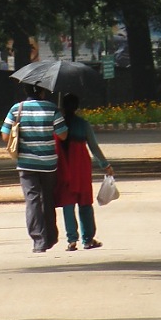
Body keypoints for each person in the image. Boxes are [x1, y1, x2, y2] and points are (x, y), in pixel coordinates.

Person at [1, 84, 68, 253]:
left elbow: (5, 135)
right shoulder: (52, 108)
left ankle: (38, 240)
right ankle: (51, 237)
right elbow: (63, 135)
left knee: (32, 200)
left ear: (26, 91)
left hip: (26, 162)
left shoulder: (17, 108)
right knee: (47, 199)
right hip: (48, 163)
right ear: (42, 91)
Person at [54, 93, 114, 251]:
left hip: (64, 168)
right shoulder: (83, 124)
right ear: (77, 107)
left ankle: (71, 240)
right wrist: (105, 165)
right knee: (85, 203)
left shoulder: (58, 125)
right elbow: (94, 147)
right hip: (81, 167)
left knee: (68, 204)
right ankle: (88, 239)